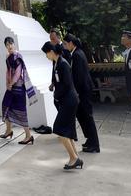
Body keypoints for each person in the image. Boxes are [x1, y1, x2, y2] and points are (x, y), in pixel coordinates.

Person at [42, 41, 82, 170]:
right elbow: (57, 80)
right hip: (65, 100)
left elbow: (67, 84)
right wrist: (53, 85)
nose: (46, 56)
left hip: (69, 100)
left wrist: (57, 95)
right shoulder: (56, 63)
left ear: (52, 52)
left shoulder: (63, 64)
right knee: (67, 130)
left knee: (59, 128)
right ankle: (75, 157)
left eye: (46, 53)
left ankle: (74, 158)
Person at [64, 34, 100, 153]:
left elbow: (79, 77)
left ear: (71, 43)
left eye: (66, 43)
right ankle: (90, 139)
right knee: (82, 116)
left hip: (83, 91)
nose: (65, 46)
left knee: (87, 117)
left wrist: (76, 93)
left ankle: (94, 144)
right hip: (81, 91)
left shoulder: (77, 54)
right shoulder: (76, 53)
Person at [0, 36, 34, 145]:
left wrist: (11, 83)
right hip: (11, 87)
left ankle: (28, 136)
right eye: (7, 45)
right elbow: (8, 71)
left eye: (11, 44)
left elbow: (18, 72)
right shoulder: (8, 56)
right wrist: (7, 83)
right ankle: (8, 131)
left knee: (21, 110)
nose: (9, 46)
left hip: (18, 87)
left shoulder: (18, 56)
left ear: (14, 44)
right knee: (6, 105)